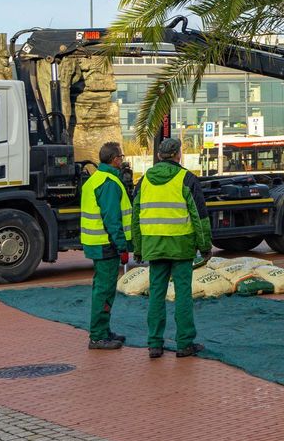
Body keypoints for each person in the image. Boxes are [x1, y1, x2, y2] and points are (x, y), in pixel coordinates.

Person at [132, 137, 212, 359]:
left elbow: (135, 218)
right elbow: (200, 217)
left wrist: (138, 248)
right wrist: (205, 246)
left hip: (154, 246)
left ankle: (155, 344)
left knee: (156, 295)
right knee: (183, 294)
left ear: (159, 156)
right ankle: (184, 344)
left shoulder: (144, 181)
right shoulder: (187, 179)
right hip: (181, 246)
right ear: (178, 154)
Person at [81, 141, 133, 350]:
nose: (122, 159)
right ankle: (99, 335)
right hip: (106, 244)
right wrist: (122, 247)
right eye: (120, 156)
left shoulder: (96, 179)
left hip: (97, 242)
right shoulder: (109, 182)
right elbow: (112, 219)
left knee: (101, 288)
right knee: (104, 289)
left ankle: (103, 330)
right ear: (115, 159)